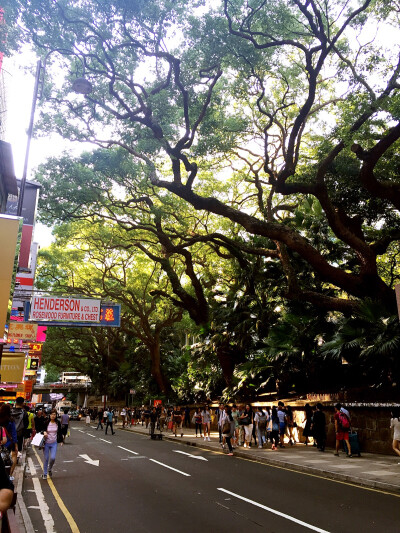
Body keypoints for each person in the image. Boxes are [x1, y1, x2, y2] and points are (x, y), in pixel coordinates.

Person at [42, 409, 63, 479]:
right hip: (46, 443)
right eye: (52, 414)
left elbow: (60, 432)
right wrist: (44, 432)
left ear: (56, 415)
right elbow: (42, 430)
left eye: (54, 414)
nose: (53, 416)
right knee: (46, 458)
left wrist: (61, 441)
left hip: (54, 443)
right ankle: (44, 473)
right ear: (49, 415)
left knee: (53, 458)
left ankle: (49, 469)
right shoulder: (46, 422)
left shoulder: (58, 423)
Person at [0, 404, 17, 480]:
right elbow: (13, 433)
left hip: (0, 442)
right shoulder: (11, 420)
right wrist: (15, 444)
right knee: (10, 458)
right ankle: (9, 475)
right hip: (9, 443)